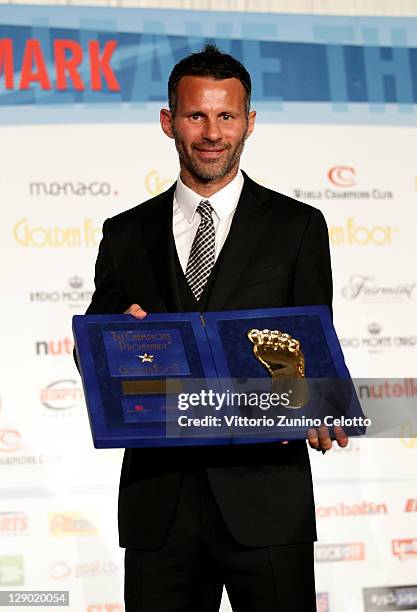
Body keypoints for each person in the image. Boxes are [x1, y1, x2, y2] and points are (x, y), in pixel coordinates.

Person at [84, 44, 348, 612]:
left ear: (248, 123)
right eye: (195, 115)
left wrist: (321, 404)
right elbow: (95, 353)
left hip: (267, 498)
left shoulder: (297, 226)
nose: (211, 132)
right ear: (168, 121)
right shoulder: (124, 232)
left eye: (226, 116)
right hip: (160, 503)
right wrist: (111, 345)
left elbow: (314, 345)